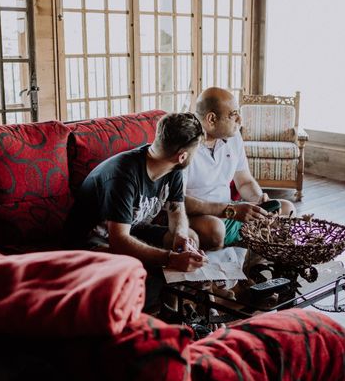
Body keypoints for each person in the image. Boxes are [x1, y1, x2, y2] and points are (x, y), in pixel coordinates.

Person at [65, 112, 207, 272]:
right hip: (90, 243)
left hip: (133, 229)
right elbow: (119, 241)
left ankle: (173, 295)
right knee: (133, 265)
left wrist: (181, 237)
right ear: (182, 157)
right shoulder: (123, 175)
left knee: (190, 238)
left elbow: (176, 210)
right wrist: (170, 258)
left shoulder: (173, 169)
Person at [184, 87, 295, 250]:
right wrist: (231, 211)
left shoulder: (233, 136)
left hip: (231, 210)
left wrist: (258, 199)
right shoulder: (184, 145)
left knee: (285, 209)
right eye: (233, 114)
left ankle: (245, 241)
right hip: (200, 215)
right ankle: (245, 241)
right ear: (211, 119)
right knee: (215, 229)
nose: (240, 120)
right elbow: (177, 201)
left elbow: (244, 181)